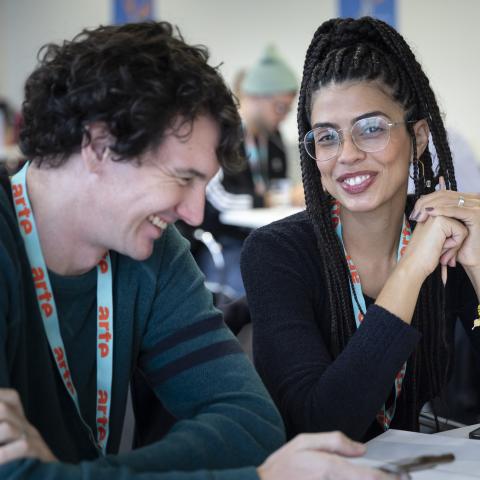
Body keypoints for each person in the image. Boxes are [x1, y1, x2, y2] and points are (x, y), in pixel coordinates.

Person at [0, 20, 400, 480]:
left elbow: (252, 427)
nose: (193, 214)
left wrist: (80, 475)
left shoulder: (156, 254)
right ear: (98, 144)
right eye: (183, 177)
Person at [241, 16, 480, 442]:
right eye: (327, 137)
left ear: (419, 137)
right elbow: (320, 425)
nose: (346, 154)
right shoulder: (276, 254)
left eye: (370, 129)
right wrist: (410, 270)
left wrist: (479, 264)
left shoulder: (446, 237)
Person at [195, 46, 298, 299]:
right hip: (222, 241)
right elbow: (219, 199)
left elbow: (278, 185)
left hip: (261, 238)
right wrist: (279, 199)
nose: (284, 117)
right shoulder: (224, 136)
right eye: (280, 107)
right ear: (254, 98)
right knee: (257, 289)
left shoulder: (273, 140)